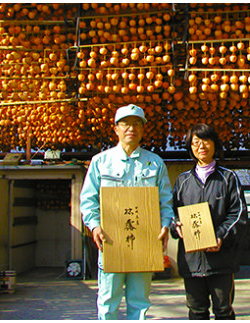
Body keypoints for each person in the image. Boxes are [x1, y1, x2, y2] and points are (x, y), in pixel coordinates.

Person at [80, 104, 173, 320]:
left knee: (139, 302)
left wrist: (165, 225)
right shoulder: (100, 162)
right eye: (126, 124)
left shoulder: (155, 163)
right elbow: (88, 200)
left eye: (137, 124)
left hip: (143, 242)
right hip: (111, 242)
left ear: (143, 129)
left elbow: (165, 201)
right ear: (116, 129)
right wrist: (94, 226)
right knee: (107, 301)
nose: (131, 128)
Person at [171, 123, 248, 320]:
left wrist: (220, 236)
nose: (201, 146)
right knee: (196, 310)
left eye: (206, 140)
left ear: (215, 144)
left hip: (221, 260)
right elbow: (172, 213)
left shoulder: (228, 178)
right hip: (192, 261)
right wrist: (175, 226)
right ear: (190, 147)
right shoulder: (182, 181)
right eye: (195, 142)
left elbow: (238, 214)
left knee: (223, 309)